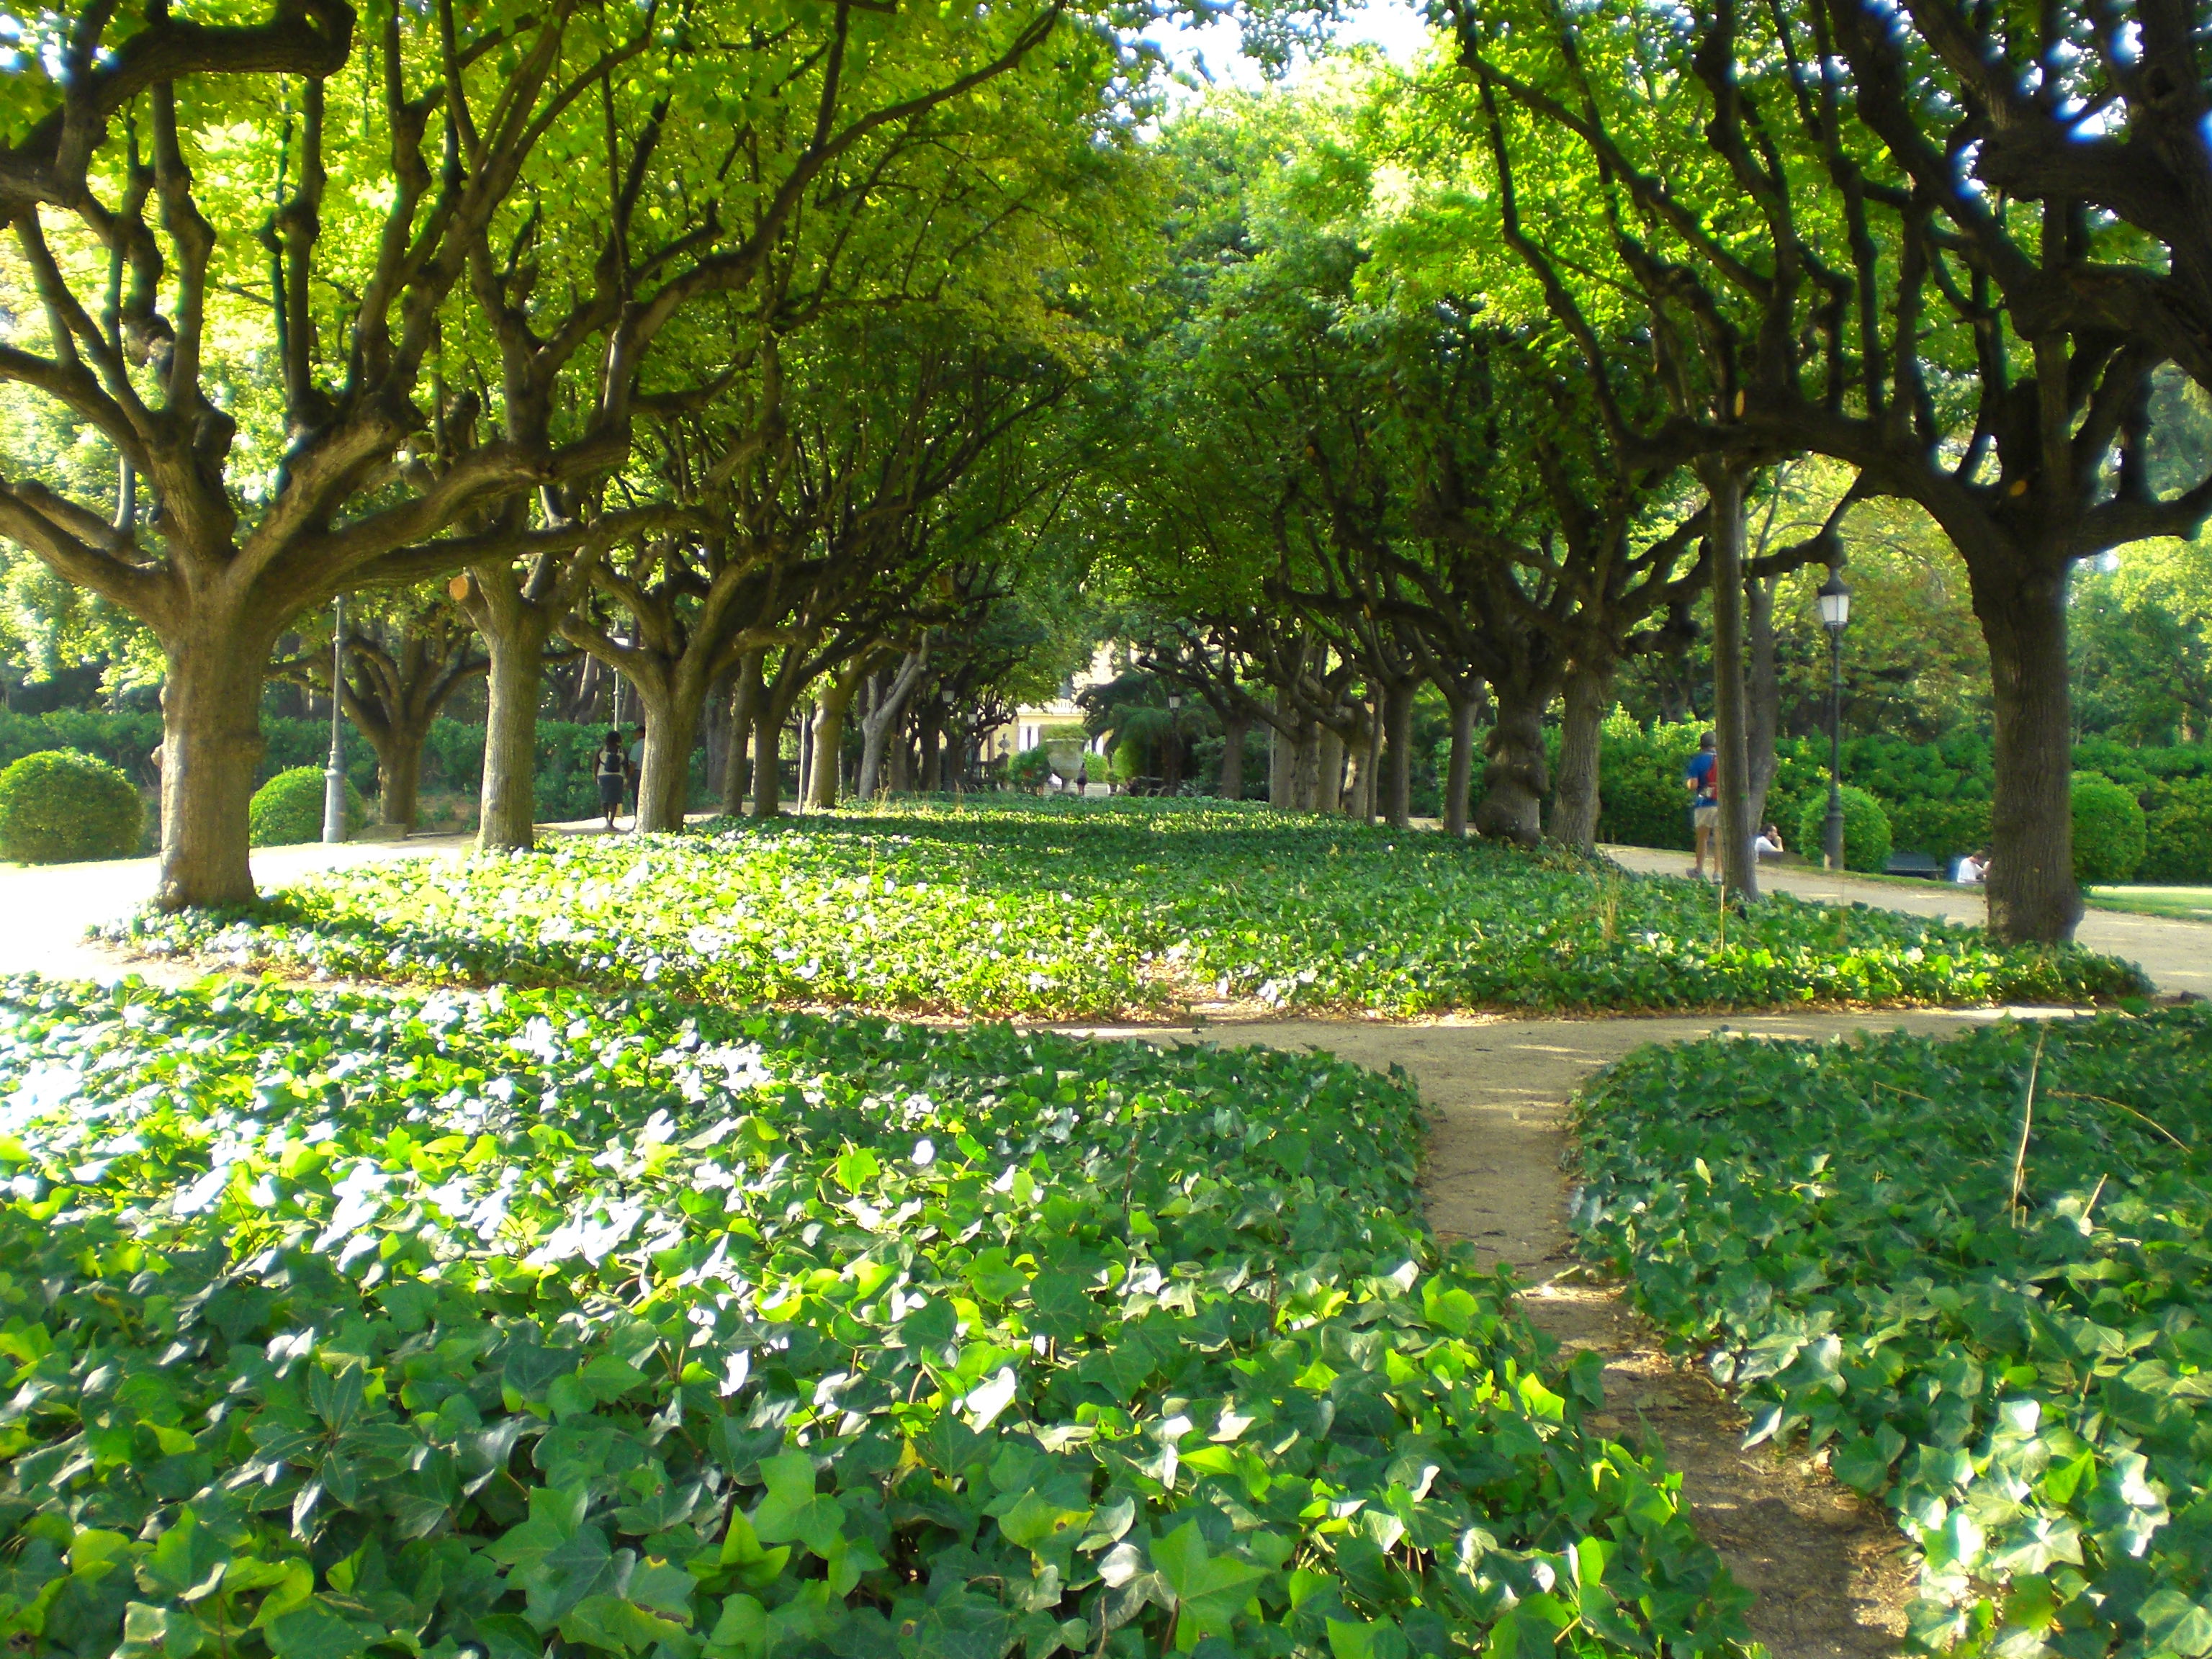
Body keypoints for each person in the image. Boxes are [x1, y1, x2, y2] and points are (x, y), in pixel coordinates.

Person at [1683, 731, 1719, 878]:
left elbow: (1693, 785)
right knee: (1720, 840)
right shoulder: (1724, 760)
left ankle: (1699, 869)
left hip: (1704, 803)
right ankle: (1718, 873)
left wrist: (1687, 783)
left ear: (1701, 745)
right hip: (1722, 804)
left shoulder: (1697, 761)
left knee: (1702, 839)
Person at [594, 729, 627, 830]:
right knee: (614, 800)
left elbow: (596, 764)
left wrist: (595, 776)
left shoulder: (602, 750)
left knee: (605, 799)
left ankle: (606, 821)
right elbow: (625, 765)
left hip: (603, 776)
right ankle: (611, 823)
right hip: (617, 776)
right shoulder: (621, 751)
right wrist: (627, 778)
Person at [625, 724, 647, 819]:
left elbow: (633, 763)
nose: (635, 735)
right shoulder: (650, 744)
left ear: (641, 733)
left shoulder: (636, 746)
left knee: (636, 796)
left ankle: (637, 818)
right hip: (647, 772)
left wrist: (629, 777)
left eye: (636, 733)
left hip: (638, 773)